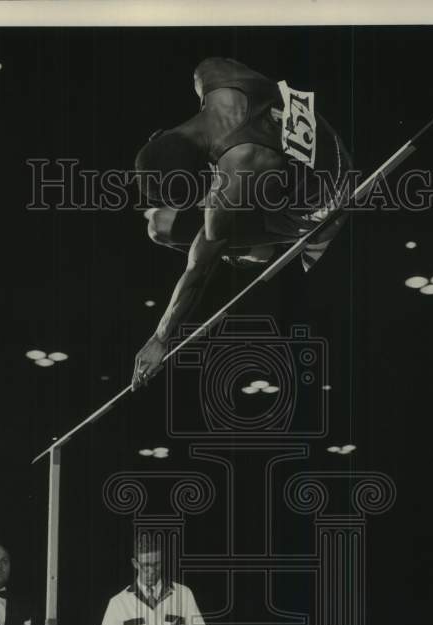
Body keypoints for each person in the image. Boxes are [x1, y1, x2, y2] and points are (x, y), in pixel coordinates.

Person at [131, 56, 355, 390]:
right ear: (158, 135)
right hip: (316, 143)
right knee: (165, 222)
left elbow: (196, 273)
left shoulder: (238, 170)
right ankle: (254, 228)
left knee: (168, 231)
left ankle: (259, 248)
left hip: (329, 196)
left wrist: (160, 337)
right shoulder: (211, 73)